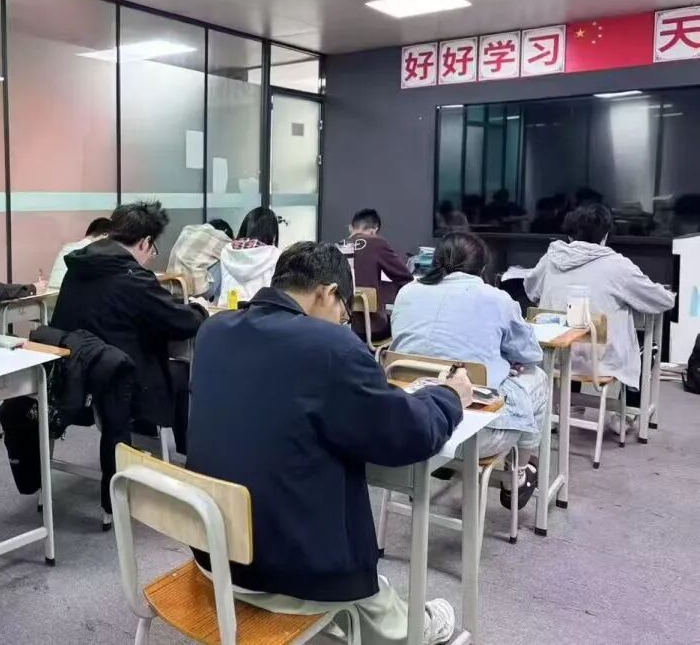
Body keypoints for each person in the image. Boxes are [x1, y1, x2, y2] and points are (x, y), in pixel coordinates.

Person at [187, 242, 468, 645]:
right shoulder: (331, 346)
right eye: (344, 314)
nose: (342, 323)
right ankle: (410, 626)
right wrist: (448, 396)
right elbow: (410, 435)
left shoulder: (213, 331)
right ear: (328, 292)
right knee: (390, 613)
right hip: (293, 571)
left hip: (214, 552)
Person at [391, 232, 546, 507]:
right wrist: (502, 364)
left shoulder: (406, 292)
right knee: (538, 378)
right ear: (483, 267)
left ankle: (441, 463)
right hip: (473, 434)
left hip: (407, 421)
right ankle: (519, 474)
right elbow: (530, 353)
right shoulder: (497, 299)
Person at [51, 201, 206, 438]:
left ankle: (141, 442)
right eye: (152, 249)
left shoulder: (78, 266)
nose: (150, 257)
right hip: (119, 380)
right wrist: (200, 309)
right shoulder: (133, 277)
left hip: (74, 375)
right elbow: (181, 322)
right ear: (144, 242)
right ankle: (181, 452)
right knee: (183, 372)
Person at [525, 204, 675, 429]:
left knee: (572, 332)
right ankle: (625, 417)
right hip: (600, 362)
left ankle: (568, 407)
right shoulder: (618, 265)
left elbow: (531, 290)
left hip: (554, 356)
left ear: (570, 234)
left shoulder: (551, 259)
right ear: (605, 235)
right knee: (647, 347)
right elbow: (662, 301)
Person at [342, 208, 414, 342]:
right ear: (374, 230)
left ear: (351, 228)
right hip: (371, 328)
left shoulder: (338, 246)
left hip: (343, 329)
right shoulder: (376, 243)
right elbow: (405, 277)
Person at [218, 207, 281, 303]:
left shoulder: (227, 250)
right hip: (260, 309)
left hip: (228, 307)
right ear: (272, 231)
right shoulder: (275, 255)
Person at [165, 220, 232, 301]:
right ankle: (223, 301)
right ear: (225, 231)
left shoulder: (188, 229)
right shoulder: (219, 235)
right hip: (196, 290)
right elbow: (232, 251)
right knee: (225, 257)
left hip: (173, 286)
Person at [47, 217, 111, 291]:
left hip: (51, 294)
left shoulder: (67, 247)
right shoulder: (94, 251)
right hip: (69, 294)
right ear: (105, 235)